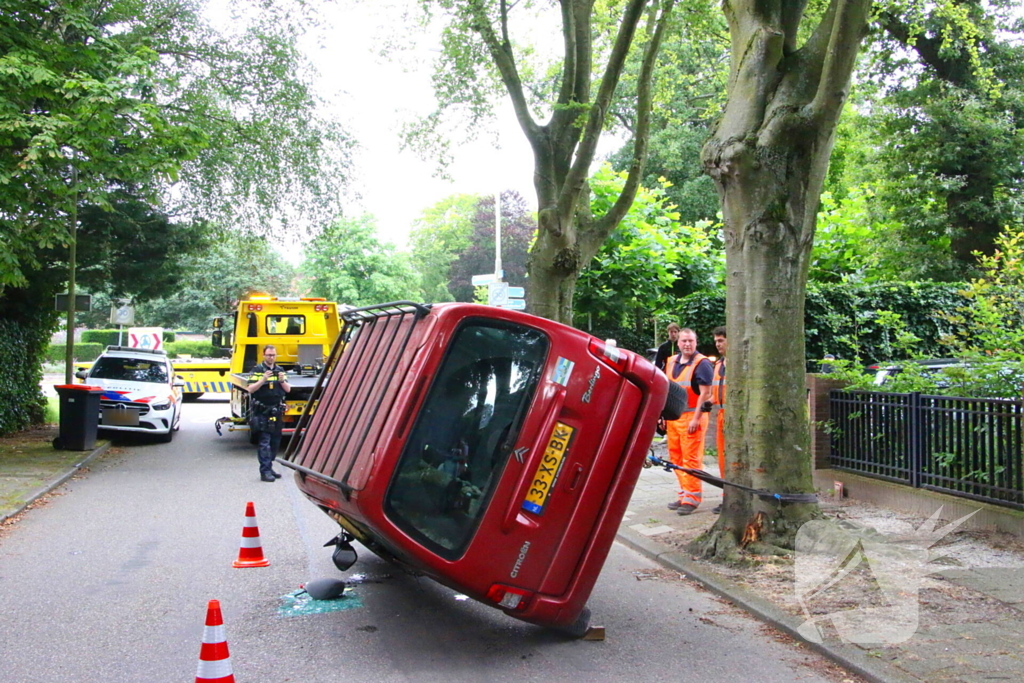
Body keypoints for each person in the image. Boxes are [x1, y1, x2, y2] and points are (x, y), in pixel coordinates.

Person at [665, 328, 714, 515]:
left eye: (691, 341)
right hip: (675, 417)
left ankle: (692, 497)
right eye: (684, 341)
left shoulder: (702, 364)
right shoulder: (671, 362)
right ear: (678, 342)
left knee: (691, 459)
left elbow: (706, 394)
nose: (687, 344)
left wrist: (696, 418)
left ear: (696, 342)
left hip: (692, 417)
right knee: (676, 457)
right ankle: (684, 493)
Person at [247, 345, 291, 482]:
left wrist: (282, 380)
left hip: (277, 410)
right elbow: (250, 389)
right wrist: (263, 379)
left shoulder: (280, 370)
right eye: (268, 355)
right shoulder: (257, 370)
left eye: (273, 355)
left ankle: (270, 467)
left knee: (275, 442)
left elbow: (288, 390)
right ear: (263, 355)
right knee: (264, 443)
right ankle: (265, 471)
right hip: (262, 411)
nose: (271, 357)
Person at [711, 326, 727, 514]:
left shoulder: (739, 364)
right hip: (722, 414)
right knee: (723, 460)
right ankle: (727, 496)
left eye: (721, 341)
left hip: (734, 414)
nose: (717, 345)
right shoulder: (719, 365)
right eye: (716, 341)